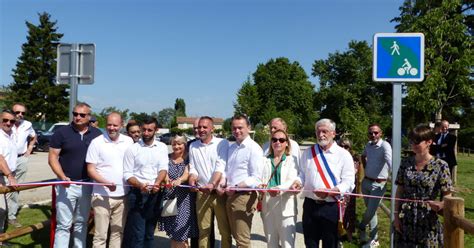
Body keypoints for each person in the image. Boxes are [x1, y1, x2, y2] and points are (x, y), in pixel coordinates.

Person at [290, 118, 355, 248]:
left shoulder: (343, 155)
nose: (321, 135)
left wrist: (334, 191)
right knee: (310, 243)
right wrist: (298, 182)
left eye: (324, 131)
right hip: (310, 205)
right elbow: (302, 174)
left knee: (330, 244)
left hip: (330, 207)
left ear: (333, 133)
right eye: (318, 132)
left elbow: (349, 181)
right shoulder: (308, 152)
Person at [48, 102, 102, 247]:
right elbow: (52, 157)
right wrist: (61, 176)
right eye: (75, 114)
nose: (78, 117)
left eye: (82, 115)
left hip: (87, 185)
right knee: (63, 224)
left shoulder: (97, 135)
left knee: (81, 222)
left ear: (89, 117)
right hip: (66, 185)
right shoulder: (61, 133)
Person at [394, 124, 453, 247]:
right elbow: (399, 190)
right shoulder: (405, 163)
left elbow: (448, 194)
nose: (413, 144)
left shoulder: (441, 165)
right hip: (406, 217)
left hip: (427, 219)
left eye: (417, 141)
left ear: (429, 142)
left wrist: (441, 204)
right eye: (412, 141)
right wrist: (396, 215)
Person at [86, 112, 133, 247]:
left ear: (122, 125)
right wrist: (104, 182)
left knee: (118, 233)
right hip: (101, 196)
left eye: (115, 125)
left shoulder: (128, 141)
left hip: (122, 196)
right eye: (109, 125)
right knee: (100, 235)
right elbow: (91, 169)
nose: (112, 128)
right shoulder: (97, 142)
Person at [122, 117, 169, 248]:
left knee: (149, 234)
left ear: (156, 130)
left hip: (156, 194)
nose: (146, 133)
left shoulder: (162, 147)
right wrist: (139, 185)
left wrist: (158, 183)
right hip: (137, 194)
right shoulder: (132, 149)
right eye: (144, 130)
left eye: (150, 130)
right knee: (138, 234)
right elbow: (127, 174)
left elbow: (163, 168)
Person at [188, 116, 231, 248]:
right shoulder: (193, 146)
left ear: (212, 129)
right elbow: (193, 168)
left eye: (205, 127)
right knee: (203, 231)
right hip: (202, 193)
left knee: (224, 231)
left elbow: (220, 166)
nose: (201, 129)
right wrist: (192, 180)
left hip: (219, 193)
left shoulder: (222, 143)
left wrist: (212, 184)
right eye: (199, 127)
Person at [225, 114, 263, 247]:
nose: (237, 131)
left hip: (244, 197)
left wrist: (235, 187)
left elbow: (256, 177)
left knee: (242, 240)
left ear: (249, 128)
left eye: (240, 127)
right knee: (235, 235)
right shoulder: (232, 147)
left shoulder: (254, 148)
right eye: (234, 128)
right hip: (230, 195)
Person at [260, 129, 298, 248]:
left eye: (281, 140)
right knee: (271, 243)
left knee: (287, 244)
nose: (278, 142)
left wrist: (277, 188)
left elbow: (292, 179)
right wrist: (260, 185)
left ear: (287, 143)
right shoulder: (264, 160)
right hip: (268, 205)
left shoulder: (292, 160)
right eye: (274, 139)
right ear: (271, 142)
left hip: (285, 206)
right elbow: (258, 177)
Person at [159, 135, 198, 248]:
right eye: (174, 143)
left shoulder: (188, 159)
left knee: (181, 232)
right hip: (169, 198)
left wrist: (179, 180)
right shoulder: (166, 157)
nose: (176, 146)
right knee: (173, 232)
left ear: (185, 145)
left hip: (184, 200)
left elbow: (187, 174)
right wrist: (165, 178)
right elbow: (163, 170)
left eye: (179, 143)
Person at [358, 123, 392, 247]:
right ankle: (374, 239)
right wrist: (366, 167)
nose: (373, 135)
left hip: (378, 185)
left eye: (376, 132)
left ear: (381, 133)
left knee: (370, 211)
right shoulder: (368, 145)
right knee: (370, 212)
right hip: (366, 182)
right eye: (370, 133)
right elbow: (363, 156)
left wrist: (396, 177)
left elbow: (390, 161)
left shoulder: (385, 145)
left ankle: (361, 227)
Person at [8, 103, 36, 228]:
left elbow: (33, 136)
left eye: (23, 113)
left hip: (21, 159)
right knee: (3, 186)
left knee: (16, 187)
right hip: (6, 159)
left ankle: (11, 216)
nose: (20, 115)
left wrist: (29, 149)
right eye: (17, 112)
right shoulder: (6, 122)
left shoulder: (28, 124)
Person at [0, 110, 19, 245]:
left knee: (4, 210)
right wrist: (10, 176)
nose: (8, 123)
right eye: (5, 120)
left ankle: (1, 237)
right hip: (2, 176)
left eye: (12, 121)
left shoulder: (12, 134)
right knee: (1, 209)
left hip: (9, 175)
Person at [338, 138, 361, 241]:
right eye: (341, 146)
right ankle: (337, 233)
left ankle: (349, 234)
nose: (343, 148)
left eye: (346, 146)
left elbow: (354, 172)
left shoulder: (354, 158)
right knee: (338, 212)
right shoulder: (334, 157)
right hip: (337, 191)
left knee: (350, 212)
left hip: (350, 191)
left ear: (350, 148)